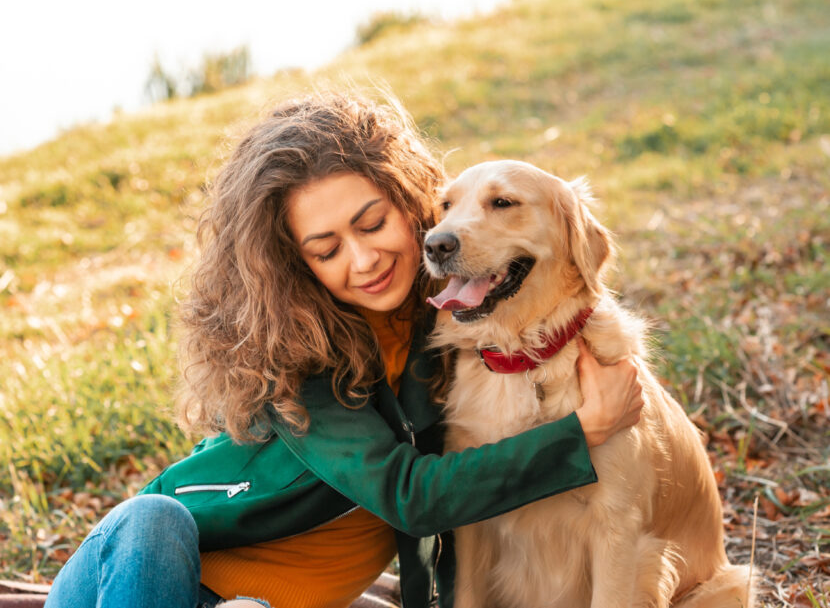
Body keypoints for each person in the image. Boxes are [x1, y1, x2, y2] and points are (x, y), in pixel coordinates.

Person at [44, 91, 643, 608]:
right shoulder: (296, 362)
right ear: (294, 266)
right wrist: (583, 431)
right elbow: (414, 495)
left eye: (373, 223)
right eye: (326, 250)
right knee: (154, 518)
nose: (364, 260)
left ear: (412, 206)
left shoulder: (452, 331)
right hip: (147, 578)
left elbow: (555, 294)